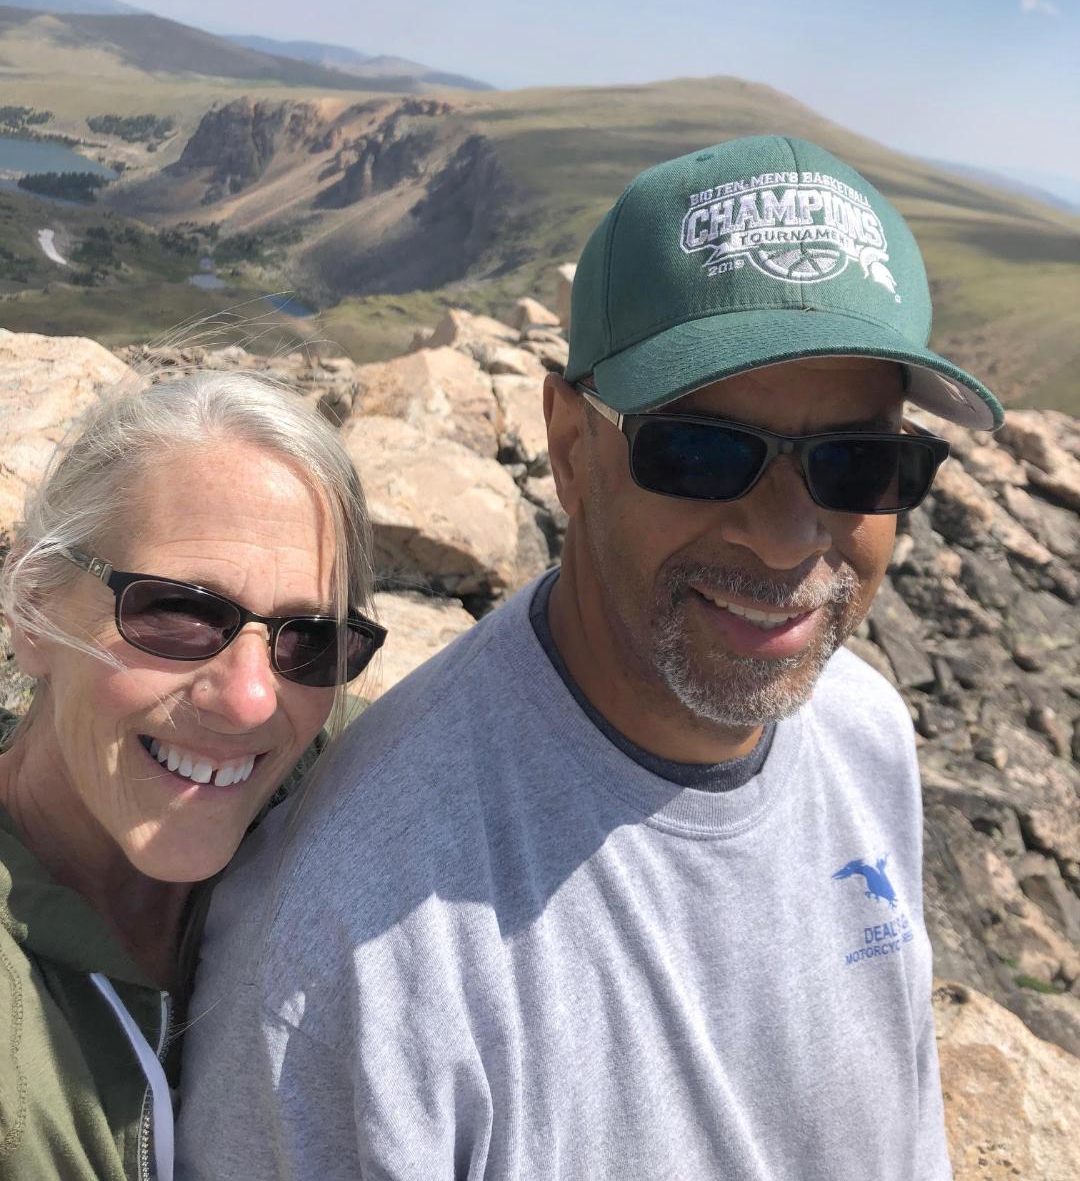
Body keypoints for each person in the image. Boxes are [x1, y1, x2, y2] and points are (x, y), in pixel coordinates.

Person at [177, 136, 1002, 1180]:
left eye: (860, 462)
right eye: (702, 450)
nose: (790, 536)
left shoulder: (864, 729)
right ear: (571, 447)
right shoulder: (350, 941)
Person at [0, 369, 385, 1181]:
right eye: (175, 612)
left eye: (310, 638)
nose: (250, 701)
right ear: (33, 608)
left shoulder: (350, 788)